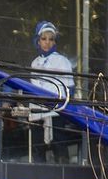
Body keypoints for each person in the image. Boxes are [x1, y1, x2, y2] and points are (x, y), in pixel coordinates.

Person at [29, 21, 76, 162]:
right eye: (43, 39)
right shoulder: (34, 63)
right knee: (38, 149)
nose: (47, 43)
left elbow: (70, 88)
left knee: (59, 147)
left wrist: (66, 110)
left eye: (51, 39)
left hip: (56, 112)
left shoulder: (62, 61)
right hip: (37, 113)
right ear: (38, 41)